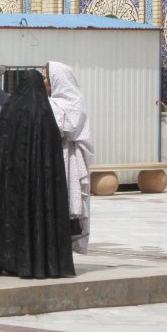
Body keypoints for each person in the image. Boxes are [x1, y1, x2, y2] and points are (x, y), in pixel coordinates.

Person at [0, 70, 74, 278]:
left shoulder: (11, 110)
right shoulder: (46, 115)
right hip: (42, 187)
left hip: (14, 185)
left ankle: (14, 262)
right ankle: (46, 263)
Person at [45, 61, 94, 255]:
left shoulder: (73, 100)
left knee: (68, 202)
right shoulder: (54, 101)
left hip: (69, 157)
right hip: (58, 154)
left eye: (46, 77)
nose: (44, 81)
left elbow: (67, 128)